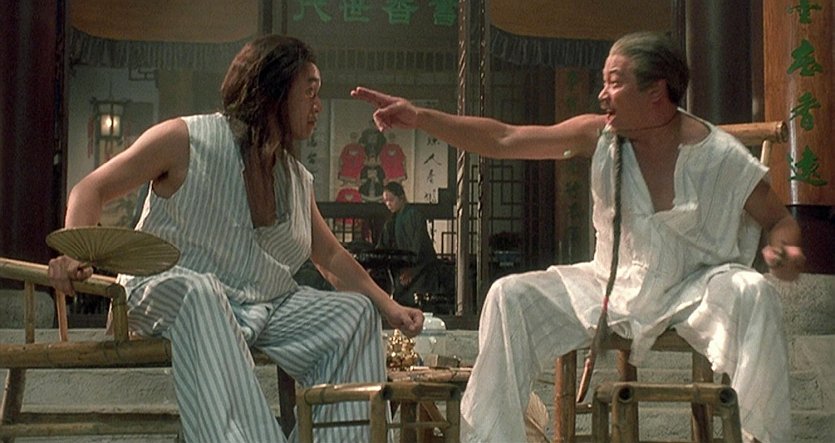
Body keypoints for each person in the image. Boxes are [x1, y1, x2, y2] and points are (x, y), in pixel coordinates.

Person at [353, 31, 803, 443]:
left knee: (755, 293)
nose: (602, 94)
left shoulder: (718, 154)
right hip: (609, 281)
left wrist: (785, 250)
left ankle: (761, 439)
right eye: (603, 82)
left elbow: (779, 219)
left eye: (615, 82)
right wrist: (420, 117)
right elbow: (506, 138)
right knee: (510, 297)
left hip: (695, 286)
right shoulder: (598, 135)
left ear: (656, 92)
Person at [48, 34, 423, 442]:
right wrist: (74, 252)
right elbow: (90, 189)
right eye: (309, 91)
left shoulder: (294, 178)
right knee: (203, 293)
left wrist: (389, 307)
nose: (317, 105)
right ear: (274, 90)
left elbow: (330, 256)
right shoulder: (185, 139)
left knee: (353, 316)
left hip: (260, 303)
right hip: (171, 289)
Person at [378, 181, 440, 306]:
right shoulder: (391, 222)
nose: (388, 204)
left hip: (421, 269)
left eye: (391, 200)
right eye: (385, 201)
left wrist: (412, 270)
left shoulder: (414, 215)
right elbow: (383, 245)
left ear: (401, 197)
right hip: (403, 269)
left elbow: (420, 244)